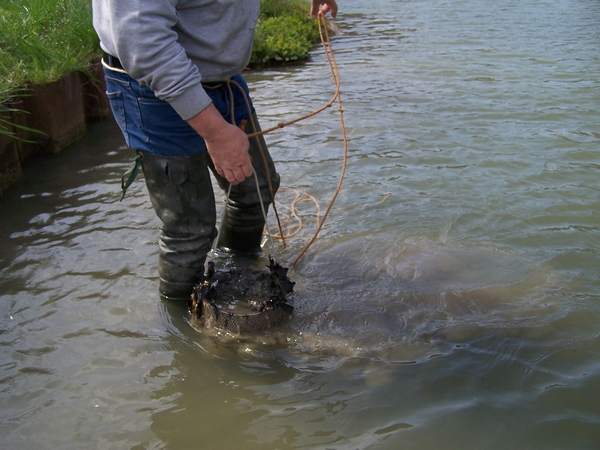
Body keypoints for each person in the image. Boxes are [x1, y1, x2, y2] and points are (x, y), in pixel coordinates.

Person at [92, 0, 339, 300]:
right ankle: (183, 330)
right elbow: (142, 42)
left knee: (256, 191)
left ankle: (237, 276)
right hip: (151, 84)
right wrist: (216, 132)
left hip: (220, 76)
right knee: (189, 232)